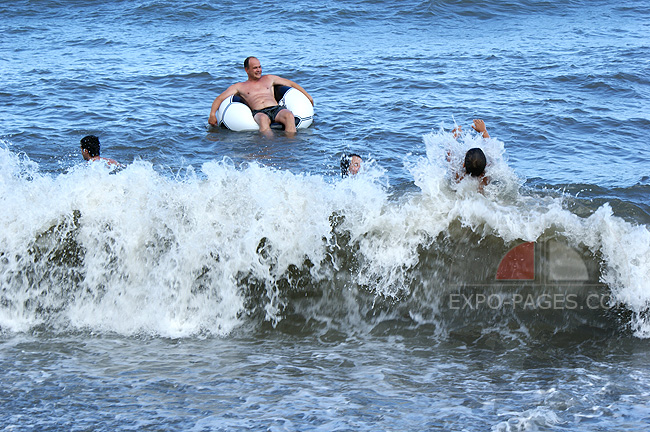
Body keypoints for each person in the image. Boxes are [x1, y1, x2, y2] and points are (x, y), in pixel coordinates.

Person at [208, 56, 314, 134]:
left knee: (289, 115)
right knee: (263, 120)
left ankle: (291, 146)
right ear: (247, 70)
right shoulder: (240, 86)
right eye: (255, 68)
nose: (259, 70)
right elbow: (220, 98)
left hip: (275, 109)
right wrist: (212, 115)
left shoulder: (269, 79)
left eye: (259, 67)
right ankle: (270, 148)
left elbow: (290, 83)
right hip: (259, 112)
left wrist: (307, 96)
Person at [450, 119, 490, 191]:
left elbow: (449, 155)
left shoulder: (458, 177)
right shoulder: (486, 178)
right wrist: (484, 131)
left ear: (463, 164)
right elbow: (492, 150)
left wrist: (454, 136)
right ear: (486, 164)